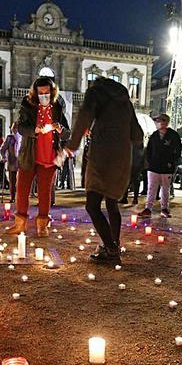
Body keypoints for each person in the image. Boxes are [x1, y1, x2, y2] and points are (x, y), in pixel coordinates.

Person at [66, 77, 143, 263]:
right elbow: (138, 134)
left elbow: (83, 118)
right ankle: (114, 244)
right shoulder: (124, 100)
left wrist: (72, 144)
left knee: (92, 205)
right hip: (122, 158)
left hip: (102, 156)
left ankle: (111, 249)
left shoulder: (95, 93)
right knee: (111, 203)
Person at [6, 77, 71, 237]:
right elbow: (20, 127)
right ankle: (20, 224)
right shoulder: (27, 104)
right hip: (29, 155)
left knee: (45, 192)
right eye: (40, 92)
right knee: (22, 190)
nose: (43, 95)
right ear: (35, 92)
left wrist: (60, 129)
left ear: (52, 91)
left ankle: (42, 225)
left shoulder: (57, 107)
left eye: (46, 92)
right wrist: (34, 130)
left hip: (49, 156)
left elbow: (67, 133)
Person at [138, 113, 182, 218]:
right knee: (151, 188)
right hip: (153, 167)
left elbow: (178, 150)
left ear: (166, 122)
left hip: (167, 167)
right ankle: (148, 208)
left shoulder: (173, 135)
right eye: (158, 121)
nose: (159, 123)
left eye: (162, 121)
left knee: (165, 189)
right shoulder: (154, 135)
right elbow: (149, 150)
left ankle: (164, 208)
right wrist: (149, 162)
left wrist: (173, 162)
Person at [0, 123, 20, 203]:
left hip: (21, 162)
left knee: (21, 181)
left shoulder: (23, 137)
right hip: (12, 162)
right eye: (14, 127)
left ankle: (20, 197)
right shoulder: (9, 138)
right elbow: (2, 149)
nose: (15, 129)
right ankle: (12, 197)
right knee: (12, 181)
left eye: (17, 127)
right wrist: (3, 157)